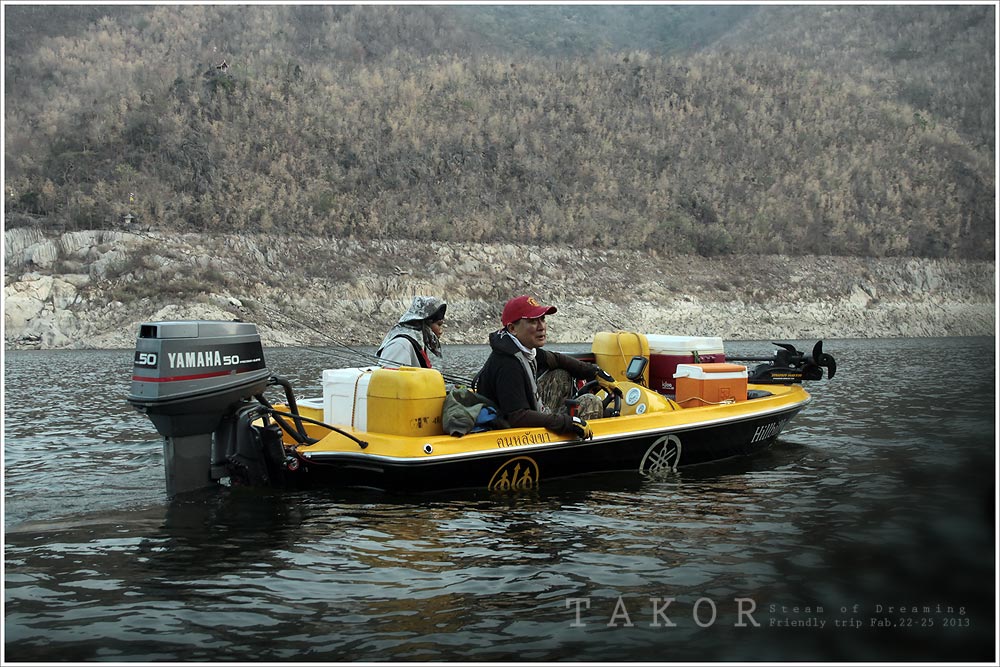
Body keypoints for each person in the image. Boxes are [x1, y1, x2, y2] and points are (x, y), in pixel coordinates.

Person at [474, 295, 620, 439]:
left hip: (525, 414)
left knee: (561, 375)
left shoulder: (523, 349)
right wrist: (567, 422)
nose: (541, 326)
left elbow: (556, 359)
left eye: (542, 319)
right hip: (509, 431)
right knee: (591, 402)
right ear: (512, 328)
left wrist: (595, 373)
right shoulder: (508, 363)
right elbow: (516, 417)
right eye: (532, 321)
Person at [376, 296, 447, 369]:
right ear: (426, 323)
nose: (441, 331)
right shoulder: (401, 345)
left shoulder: (416, 343)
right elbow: (388, 378)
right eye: (439, 324)